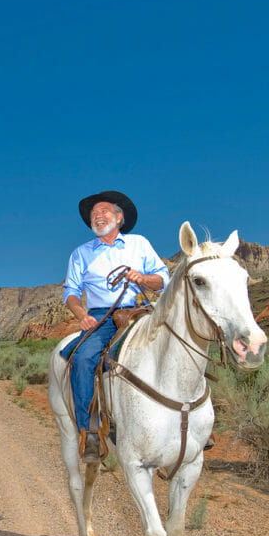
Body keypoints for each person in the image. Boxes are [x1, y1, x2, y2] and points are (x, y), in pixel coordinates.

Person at [61, 191, 169, 461]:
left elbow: (163, 279)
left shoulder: (138, 244)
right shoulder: (81, 253)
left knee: (180, 340)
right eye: (94, 213)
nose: (98, 215)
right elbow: (71, 292)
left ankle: (197, 422)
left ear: (119, 218)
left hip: (141, 310)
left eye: (104, 211)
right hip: (102, 316)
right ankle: (90, 434)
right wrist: (80, 315)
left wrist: (143, 278)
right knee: (84, 358)